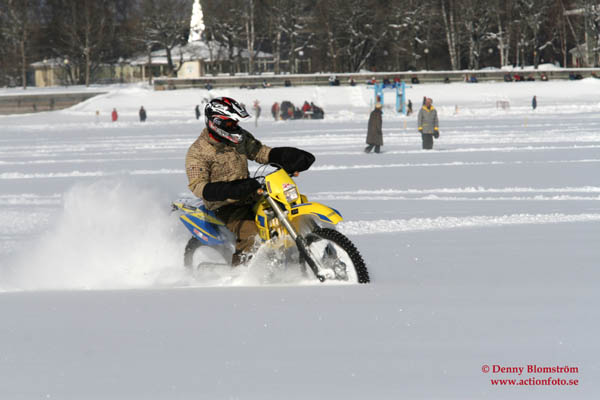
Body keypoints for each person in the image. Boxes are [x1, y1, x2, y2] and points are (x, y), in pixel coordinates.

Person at [185, 97, 315, 266]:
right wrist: (231, 189)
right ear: (217, 123)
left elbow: (260, 152)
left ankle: (292, 256)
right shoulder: (198, 152)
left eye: (236, 123)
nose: (236, 127)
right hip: (224, 205)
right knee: (251, 234)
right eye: (231, 124)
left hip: (250, 193)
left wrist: (287, 157)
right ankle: (240, 276)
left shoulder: (239, 138)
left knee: (283, 212)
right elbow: (198, 186)